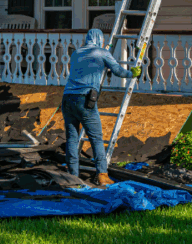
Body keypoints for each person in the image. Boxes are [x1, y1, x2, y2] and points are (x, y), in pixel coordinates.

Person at [61, 28, 142, 186]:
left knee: (72, 138)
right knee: (96, 138)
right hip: (84, 99)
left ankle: (73, 176)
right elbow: (118, 71)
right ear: (99, 39)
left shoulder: (77, 53)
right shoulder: (101, 53)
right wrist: (133, 73)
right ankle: (102, 175)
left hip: (67, 98)